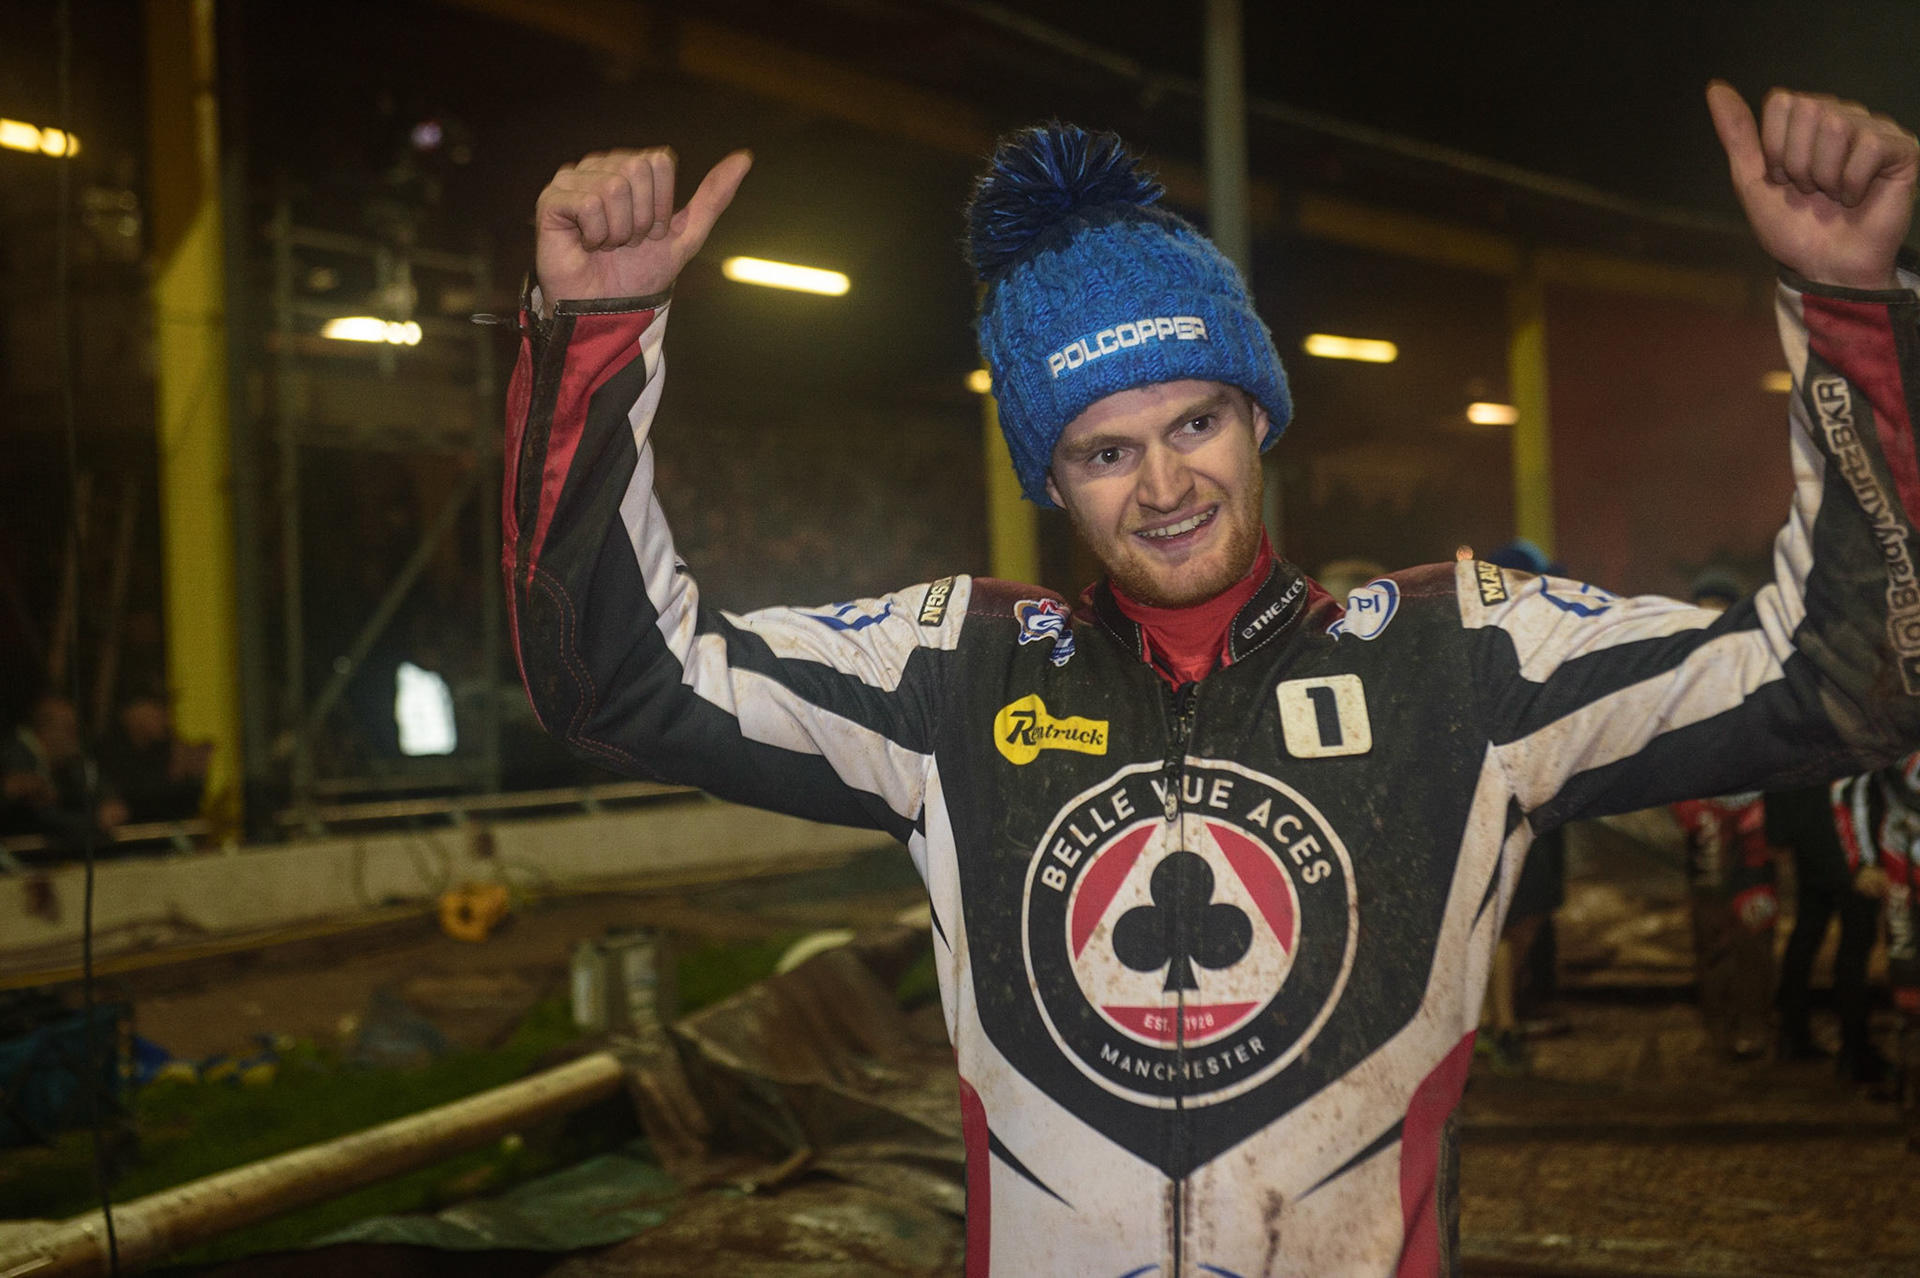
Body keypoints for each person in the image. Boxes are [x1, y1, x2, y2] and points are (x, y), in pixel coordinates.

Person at [506, 85, 1920, 1275]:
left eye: (1197, 420)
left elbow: (1842, 681)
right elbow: (616, 681)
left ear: (1259, 416)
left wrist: (1848, 306)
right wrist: (594, 336)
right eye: (1107, 450)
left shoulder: (1468, 657)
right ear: (1051, 475)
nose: (1168, 484)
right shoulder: (953, 672)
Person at [1670, 572, 1778, 1061]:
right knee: (1711, 929)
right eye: (1703, 611)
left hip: (1756, 818)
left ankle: (1754, 1027)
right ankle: (1718, 1031)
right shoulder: (1676, 676)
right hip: (1705, 822)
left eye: (1720, 610)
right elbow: (1662, 747)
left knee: (1756, 927)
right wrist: (1687, 810)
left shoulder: (1761, 666)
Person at [1768, 778, 1885, 1081]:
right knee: (1854, 950)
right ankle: (1854, 1050)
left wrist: (1782, 833)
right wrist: (1868, 859)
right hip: (1851, 853)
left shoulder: (1793, 731)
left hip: (1810, 846)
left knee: (1805, 937)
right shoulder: (1851, 735)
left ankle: (1792, 1035)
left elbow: (1776, 773)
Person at [0, 693, 126, 854]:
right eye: (69, 729)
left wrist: (109, 800)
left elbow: (93, 780)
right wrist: (94, 821)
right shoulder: (16, 757)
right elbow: (40, 819)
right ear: (44, 731)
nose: (75, 737)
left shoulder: (67, 760)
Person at [98, 691, 210, 825]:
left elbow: (179, 813)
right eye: (160, 708)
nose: (167, 718)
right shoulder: (108, 752)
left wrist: (193, 777)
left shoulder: (159, 751)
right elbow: (139, 807)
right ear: (134, 711)